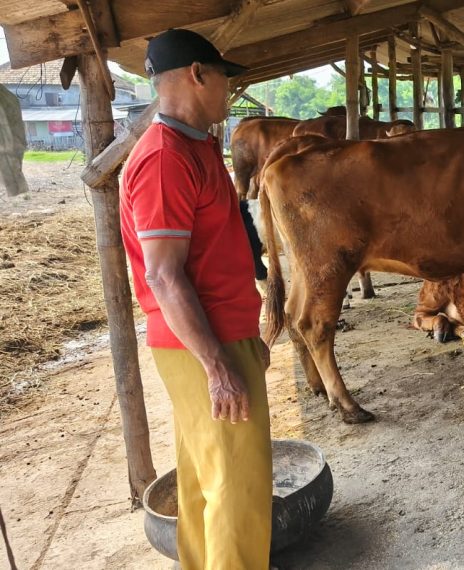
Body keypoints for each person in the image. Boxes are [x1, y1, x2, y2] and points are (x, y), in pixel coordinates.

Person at [119, 29, 273, 568]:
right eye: (224, 77)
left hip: (218, 335)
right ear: (197, 74)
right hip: (202, 344)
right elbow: (163, 276)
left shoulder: (194, 146)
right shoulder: (164, 160)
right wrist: (218, 365)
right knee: (239, 485)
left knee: (206, 478)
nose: (229, 90)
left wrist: (245, 335)